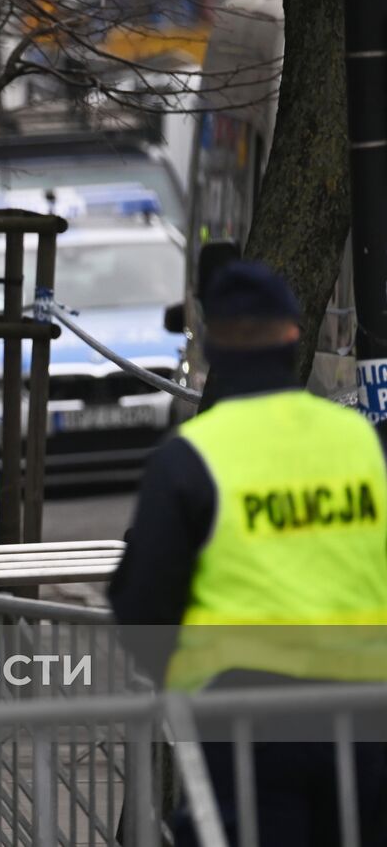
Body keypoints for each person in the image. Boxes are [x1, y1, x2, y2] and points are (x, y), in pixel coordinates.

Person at [110, 262, 387, 847]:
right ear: (293, 337)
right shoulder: (358, 440)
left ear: (213, 349)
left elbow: (141, 606)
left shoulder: (189, 457)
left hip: (248, 724)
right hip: (365, 713)